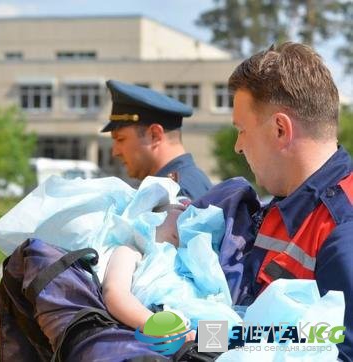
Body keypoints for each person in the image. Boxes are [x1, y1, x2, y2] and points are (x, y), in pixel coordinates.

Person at [229, 42, 353, 360]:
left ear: (281, 129)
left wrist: (204, 338)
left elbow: (322, 346)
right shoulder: (287, 203)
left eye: (242, 130)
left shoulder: (343, 230)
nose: (238, 147)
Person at [102, 79, 212, 200]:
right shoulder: (175, 185)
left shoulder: (174, 194)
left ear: (155, 135)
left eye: (120, 139)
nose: (115, 152)